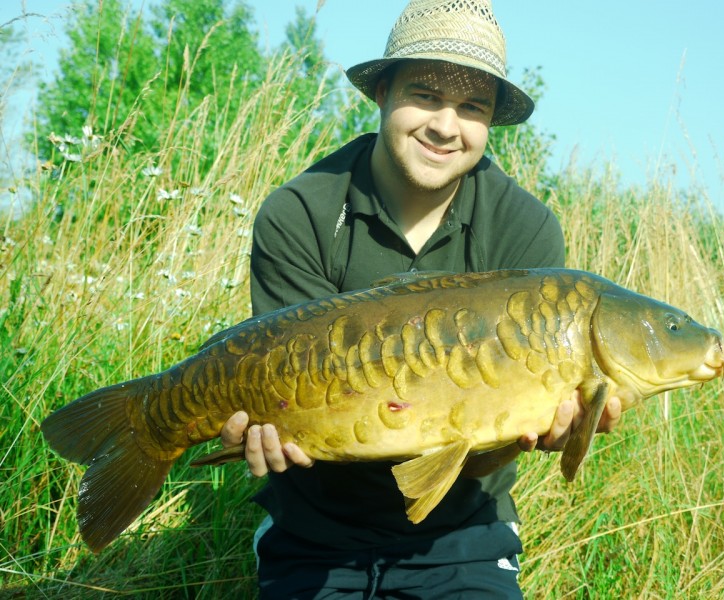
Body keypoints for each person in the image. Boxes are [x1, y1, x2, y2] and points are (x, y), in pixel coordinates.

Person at [220, 1, 621, 597]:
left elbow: (491, 435)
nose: (445, 125)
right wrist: (262, 422)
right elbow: (287, 383)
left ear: (490, 123)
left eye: (472, 107)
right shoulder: (300, 212)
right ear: (381, 92)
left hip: (463, 534)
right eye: (426, 95)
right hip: (315, 529)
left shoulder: (525, 231)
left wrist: (546, 432)